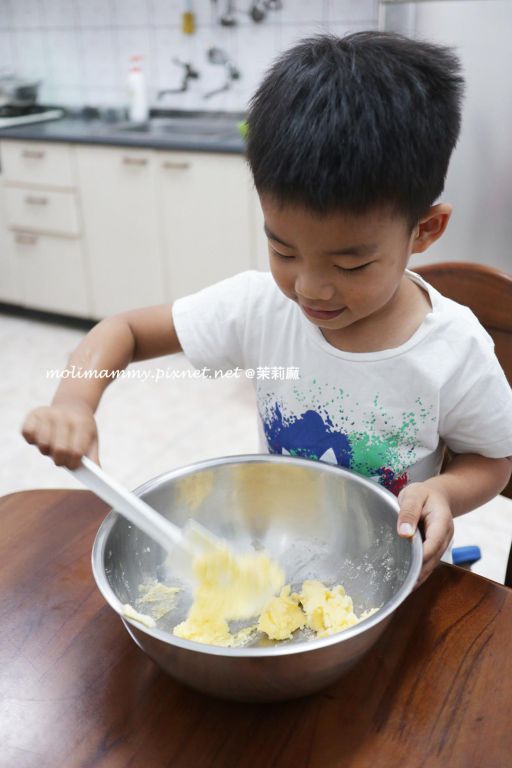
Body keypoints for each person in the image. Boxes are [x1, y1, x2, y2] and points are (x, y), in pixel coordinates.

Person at [22, 32, 512, 588]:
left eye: (350, 266)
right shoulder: (260, 305)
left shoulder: (453, 348)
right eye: (283, 249)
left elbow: (495, 460)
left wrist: (445, 492)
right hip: (281, 562)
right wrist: (73, 401)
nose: (310, 289)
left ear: (424, 230)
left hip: (396, 580)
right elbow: (125, 331)